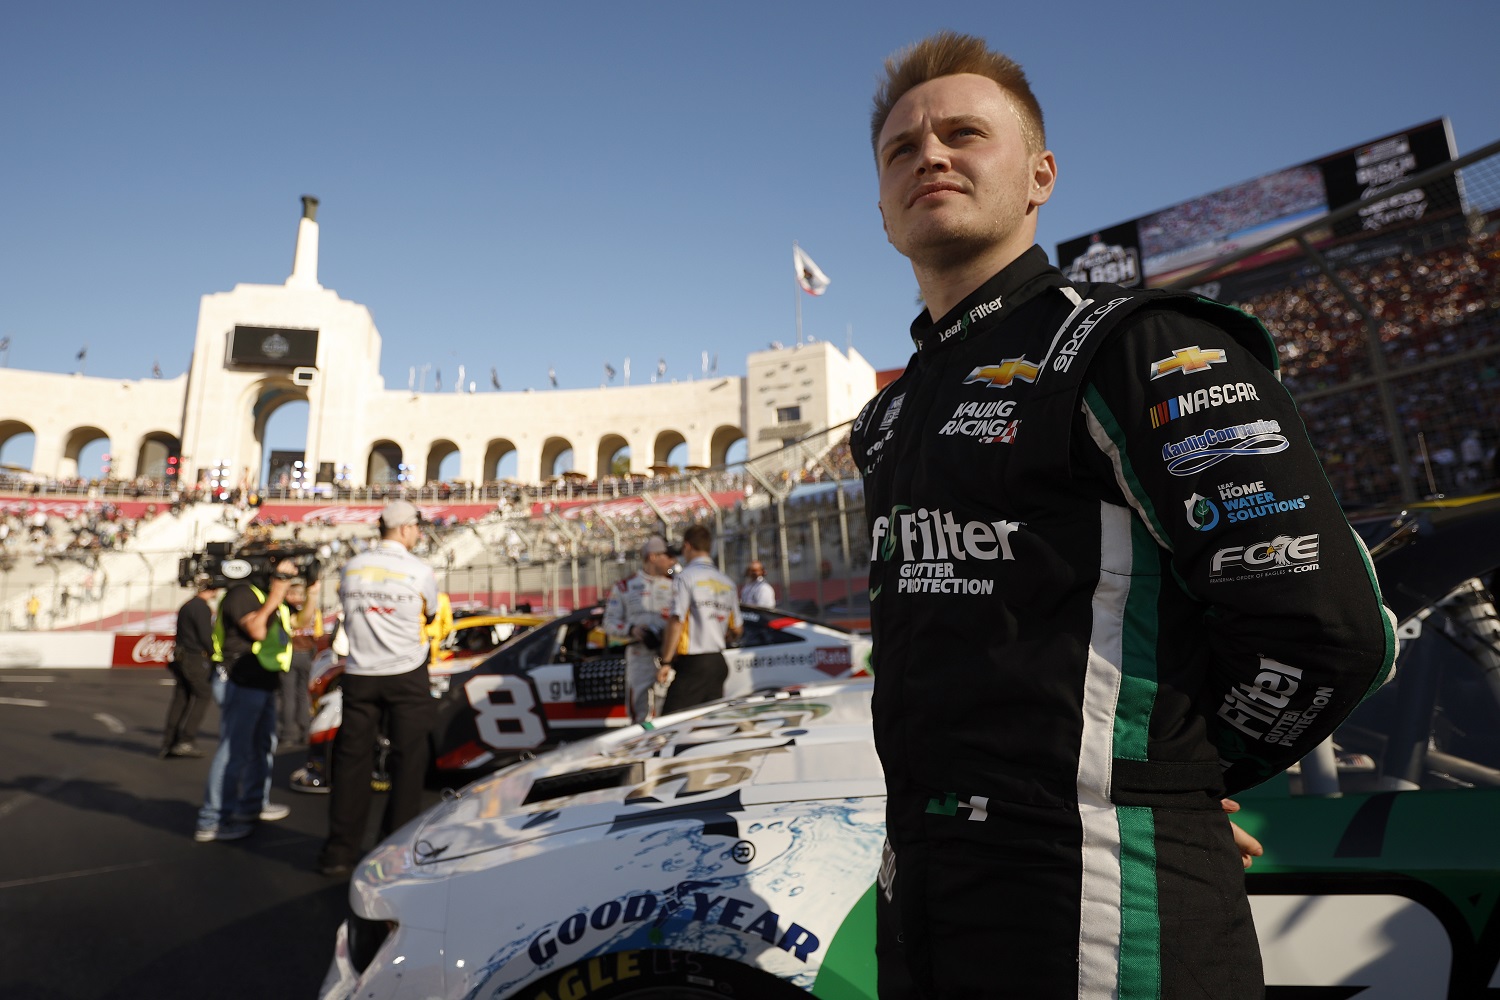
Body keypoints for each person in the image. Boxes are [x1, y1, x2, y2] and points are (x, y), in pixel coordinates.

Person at [850, 33, 1397, 999]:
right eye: (901, 149)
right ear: (886, 209)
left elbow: (1328, 627)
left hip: (1108, 909)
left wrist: (1171, 784)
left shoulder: (1133, 346)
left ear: (1039, 176)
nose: (929, 156)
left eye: (964, 133)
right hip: (926, 899)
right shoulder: (889, 414)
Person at [318, 500, 438, 878]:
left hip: (360, 672)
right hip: (406, 671)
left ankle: (338, 852)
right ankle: (395, 852)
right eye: (416, 527)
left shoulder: (352, 566)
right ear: (404, 529)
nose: (419, 534)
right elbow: (430, 614)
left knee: (351, 762)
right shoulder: (419, 570)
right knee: (408, 761)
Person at [194, 556, 297, 843]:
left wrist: (309, 591)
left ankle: (252, 804)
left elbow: (298, 619)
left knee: (263, 746)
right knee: (234, 751)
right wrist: (277, 593)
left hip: (262, 681)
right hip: (241, 682)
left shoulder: (263, 596)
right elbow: (257, 630)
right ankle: (212, 820)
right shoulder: (242, 593)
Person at [656, 524, 741, 715]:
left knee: (669, 725)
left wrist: (666, 661)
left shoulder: (685, 577)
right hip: (718, 662)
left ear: (687, 546)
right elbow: (737, 629)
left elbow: (676, 620)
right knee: (707, 727)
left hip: (693, 663)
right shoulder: (727, 581)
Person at [603, 535, 679, 722]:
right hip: (639, 655)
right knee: (639, 713)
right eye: (666, 555)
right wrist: (632, 629)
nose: (672, 560)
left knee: (669, 713)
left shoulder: (676, 585)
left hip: (669, 656)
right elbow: (609, 622)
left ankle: (664, 748)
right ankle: (642, 748)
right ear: (652, 557)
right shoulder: (625, 586)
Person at [160, 574, 219, 758]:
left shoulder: (187, 605)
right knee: (203, 695)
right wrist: (214, 655)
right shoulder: (201, 608)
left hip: (180, 656)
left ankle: (169, 742)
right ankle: (186, 740)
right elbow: (205, 636)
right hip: (194, 658)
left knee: (181, 698)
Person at [278, 578, 321, 749]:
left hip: (290, 654)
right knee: (303, 694)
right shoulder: (313, 610)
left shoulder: (285, 609)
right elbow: (318, 632)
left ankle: (288, 733)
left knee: (288, 696)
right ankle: (305, 731)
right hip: (307, 654)